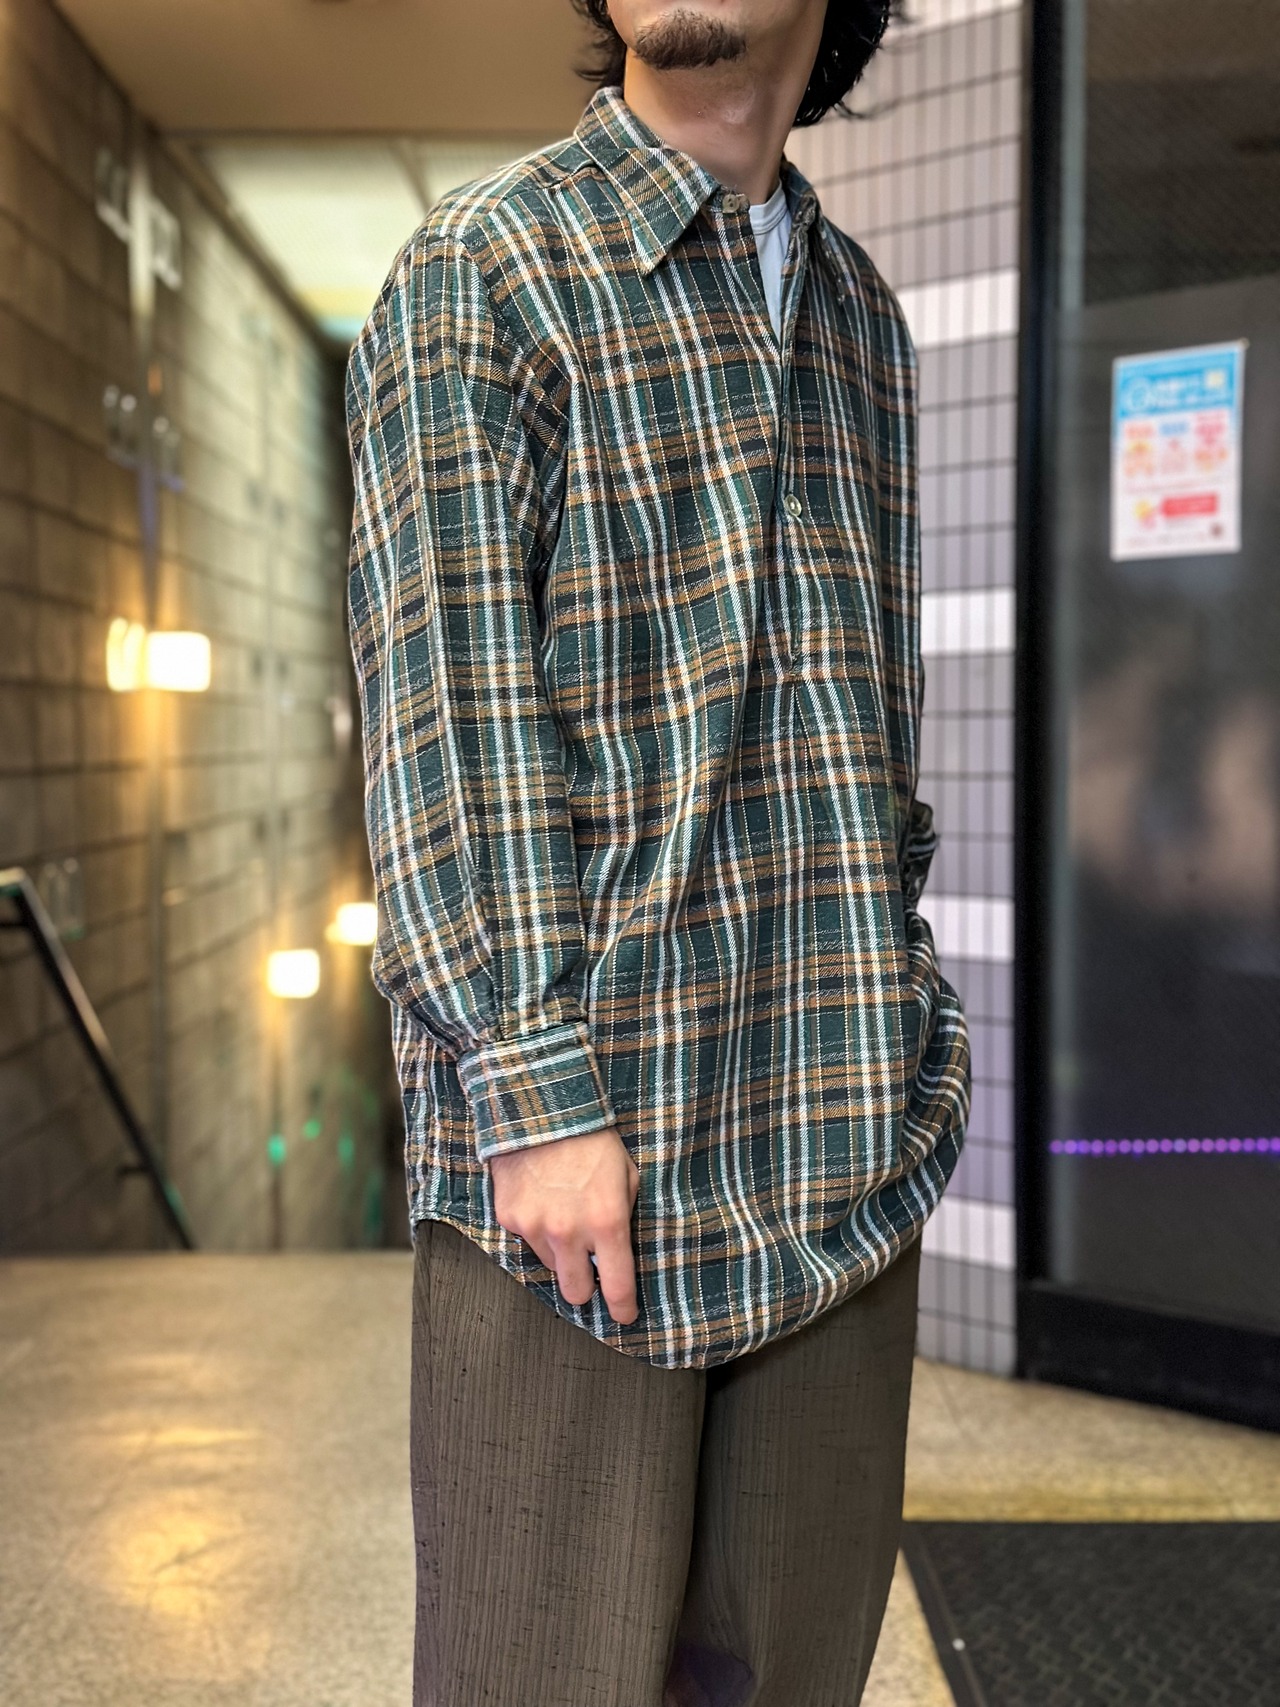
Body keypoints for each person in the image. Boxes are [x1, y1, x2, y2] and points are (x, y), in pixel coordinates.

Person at [345, 2, 970, 1702]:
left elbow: (866, 710)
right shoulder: (487, 270)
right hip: (582, 1170)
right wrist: (534, 1089)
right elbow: (452, 727)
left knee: (790, 1676)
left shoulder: (857, 316)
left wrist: (907, 1012)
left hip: (841, 1133)